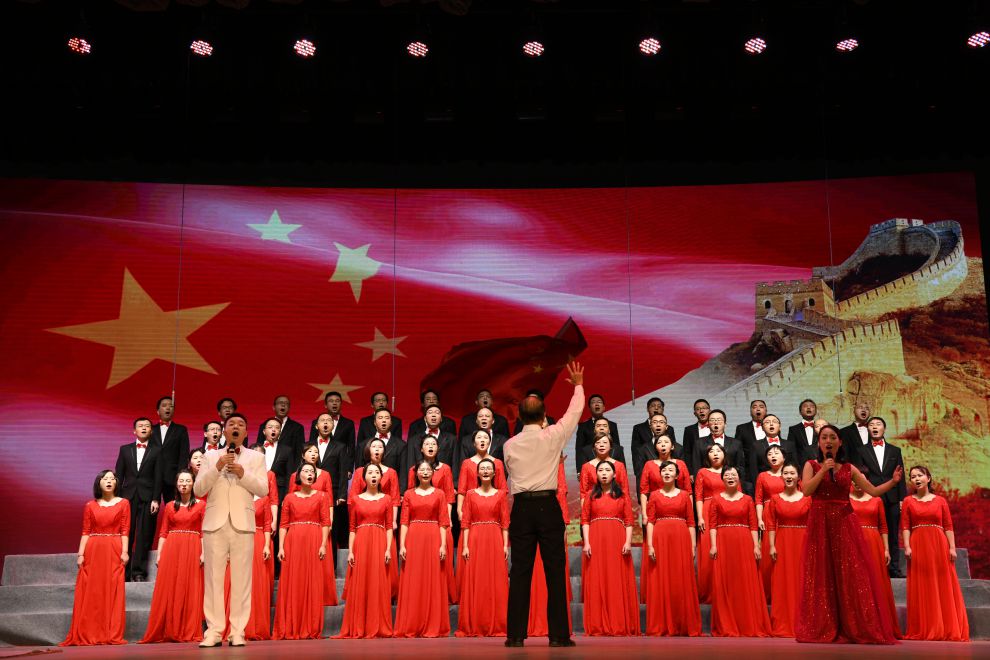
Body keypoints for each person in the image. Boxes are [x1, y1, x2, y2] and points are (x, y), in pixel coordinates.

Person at [503, 361, 585, 648]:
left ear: (520, 417)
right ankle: (559, 635)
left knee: (520, 572)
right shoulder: (552, 436)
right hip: (548, 507)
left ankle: (515, 635)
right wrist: (578, 386)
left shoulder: (509, 445)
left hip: (522, 509)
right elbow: (574, 413)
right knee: (554, 572)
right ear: (544, 416)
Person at [796, 424, 901, 644]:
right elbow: (806, 491)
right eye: (824, 437)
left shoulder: (849, 468)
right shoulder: (811, 465)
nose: (828, 441)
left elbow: (873, 491)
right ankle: (823, 624)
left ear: (840, 442)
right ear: (819, 443)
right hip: (820, 523)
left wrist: (893, 482)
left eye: (832, 437)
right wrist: (823, 470)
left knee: (850, 573)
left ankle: (854, 624)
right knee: (821, 572)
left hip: (844, 523)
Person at [193, 413, 268, 648]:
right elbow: (198, 489)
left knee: (242, 581)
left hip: (243, 523)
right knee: (213, 580)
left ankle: (237, 631)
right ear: (224, 431)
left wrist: (242, 473)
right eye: (231, 424)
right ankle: (214, 631)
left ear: (246, 432)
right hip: (215, 523)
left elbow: (263, 489)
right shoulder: (210, 456)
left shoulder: (256, 457)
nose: (236, 427)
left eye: (241, 424)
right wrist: (217, 467)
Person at [60, 470, 130, 647]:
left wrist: (125, 551)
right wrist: (80, 554)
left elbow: (125, 530)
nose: (109, 481)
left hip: (114, 549)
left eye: (112, 479)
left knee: (112, 589)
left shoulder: (124, 503)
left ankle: (109, 632)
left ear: (116, 483)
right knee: (93, 591)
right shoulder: (90, 505)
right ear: (99, 483)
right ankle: (90, 631)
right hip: (93, 550)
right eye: (105, 479)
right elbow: (86, 531)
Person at [901, 466, 969, 641]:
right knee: (922, 586)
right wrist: (907, 546)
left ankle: (945, 627)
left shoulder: (940, 501)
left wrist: (952, 547)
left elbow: (948, 526)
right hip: (918, 544)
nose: (916, 479)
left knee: (942, 584)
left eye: (920, 475)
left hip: (939, 545)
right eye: (913, 477)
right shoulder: (908, 501)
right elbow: (906, 526)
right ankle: (926, 627)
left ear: (928, 478)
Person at [141, 470, 206, 643]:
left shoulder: (201, 505)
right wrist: (160, 554)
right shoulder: (170, 506)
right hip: (172, 548)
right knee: (171, 587)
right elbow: (163, 532)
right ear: (176, 485)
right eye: (181, 481)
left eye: (187, 481)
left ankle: (188, 628)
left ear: (193, 484)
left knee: (190, 586)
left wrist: (204, 552)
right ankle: (170, 627)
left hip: (192, 547)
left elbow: (203, 532)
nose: (184, 484)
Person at [709, 466, 771, 637]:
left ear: (739, 478)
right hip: (723, 541)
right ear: (722, 479)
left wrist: (756, 546)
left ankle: (746, 623)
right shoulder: (715, 499)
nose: (730, 477)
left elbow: (753, 525)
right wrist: (713, 545)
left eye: (733, 475)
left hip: (744, 542)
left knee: (744, 581)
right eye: (727, 475)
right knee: (726, 582)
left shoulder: (747, 499)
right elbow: (712, 525)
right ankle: (726, 623)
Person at [581, 461, 639, 636]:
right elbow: (585, 520)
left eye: (607, 470)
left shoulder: (622, 496)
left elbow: (629, 521)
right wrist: (587, 542)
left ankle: (618, 622)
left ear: (614, 474)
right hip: (596, 538)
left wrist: (628, 542)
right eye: (600, 470)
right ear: (596, 474)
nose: (604, 473)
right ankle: (598, 624)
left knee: (616, 579)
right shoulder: (590, 495)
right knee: (597, 578)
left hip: (617, 538)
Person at [272, 464, 330, 640]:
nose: (310, 473)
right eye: (306, 471)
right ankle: (291, 625)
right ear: (299, 475)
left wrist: (323, 544)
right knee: (293, 581)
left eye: (312, 471)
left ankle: (311, 626)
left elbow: (325, 522)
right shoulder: (289, 498)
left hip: (314, 539)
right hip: (294, 541)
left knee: (312, 581)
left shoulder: (322, 496)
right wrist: (281, 547)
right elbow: (283, 525)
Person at [394, 460, 452, 638]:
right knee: (414, 579)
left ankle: (432, 623)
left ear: (433, 473)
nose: (425, 472)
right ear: (416, 473)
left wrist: (443, 545)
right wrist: (402, 545)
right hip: (414, 537)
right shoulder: (409, 494)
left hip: (433, 536)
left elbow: (443, 521)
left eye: (428, 470)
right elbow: (404, 521)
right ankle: (412, 622)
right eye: (422, 470)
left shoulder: (440, 494)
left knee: (433, 578)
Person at [644, 460, 701, 637]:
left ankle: (682, 623)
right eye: (664, 470)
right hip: (660, 538)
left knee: (680, 579)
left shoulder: (684, 495)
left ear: (677, 475)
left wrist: (693, 545)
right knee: (661, 578)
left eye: (670, 470)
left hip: (681, 538)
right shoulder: (654, 495)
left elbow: (691, 522)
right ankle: (662, 623)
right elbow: (651, 521)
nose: (667, 473)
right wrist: (650, 545)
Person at [337, 463, 394, 639]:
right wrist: (351, 551)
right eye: (370, 472)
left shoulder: (387, 499)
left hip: (379, 540)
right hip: (361, 542)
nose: (374, 475)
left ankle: (377, 624)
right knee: (361, 581)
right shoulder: (356, 499)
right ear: (364, 477)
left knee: (378, 582)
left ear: (381, 477)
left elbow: (389, 526)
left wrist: (388, 549)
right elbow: (352, 528)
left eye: (377, 472)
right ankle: (359, 624)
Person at [456, 458, 511, 637]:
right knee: (477, 578)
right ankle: (475, 622)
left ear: (494, 473)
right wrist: (465, 546)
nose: (486, 471)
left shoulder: (501, 494)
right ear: (478, 474)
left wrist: (505, 545)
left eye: (489, 468)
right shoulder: (470, 494)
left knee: (495, 579)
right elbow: (466, 522)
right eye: (482, 469)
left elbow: (505, 522)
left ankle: (498, 622)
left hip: (495, 538)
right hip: (475, 538)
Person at [638, 433, 691, 605]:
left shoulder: (681, 464)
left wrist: (688, 514)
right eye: (659, 442)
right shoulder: (649, 465)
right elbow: (644, 491)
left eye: (666, 442)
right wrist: (645, 514)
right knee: (657, 561)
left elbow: (687, 491)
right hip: (656, 515)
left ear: (672, 446)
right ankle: (657, 596)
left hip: (678, 513)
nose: (662, 444)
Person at [406, 435, 458, 603]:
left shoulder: (445, 469)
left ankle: (442, 593)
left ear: (438, 448)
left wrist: (447, 519)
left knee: (442, 556)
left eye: (433, 444)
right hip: (420, 520)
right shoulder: (414, 470)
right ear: (421, 449)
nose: (430, 446)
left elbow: (449, 496)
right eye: (427, 444)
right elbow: (411, 496)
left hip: (440, 519)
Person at [849, 475, 901, 638]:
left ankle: (878, 624)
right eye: (854, 480)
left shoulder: (876, 500)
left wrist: (886, 549)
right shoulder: (845, 500)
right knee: (856, 583)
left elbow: (883, 527)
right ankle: (856, 626)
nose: (858, 483)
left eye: (861, 480)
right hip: (852, 542)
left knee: (875, 582)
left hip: (873, 543)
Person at [349, 437, 400, 599]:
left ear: (384, 451)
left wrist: (393, 520)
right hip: (363, 521)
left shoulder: (391, 472)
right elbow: (353, 499)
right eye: (374, 446)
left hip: (383, 521)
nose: (377, 449)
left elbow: (395, 499)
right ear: (368, 450)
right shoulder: (359, 472)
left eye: (380, 447)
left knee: (384, 560)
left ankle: (386, 594)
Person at [857, 416, 907, 578]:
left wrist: (902, 499)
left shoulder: (895, 450)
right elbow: (860, 475)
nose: (875, 427)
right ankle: (873, 566)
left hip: (892, 498)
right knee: (873, 533)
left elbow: (901, 476)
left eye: (878, 424)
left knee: (892, 533)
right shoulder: (861, 450)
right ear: (868, 429)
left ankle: (894, 568)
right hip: (871, 497)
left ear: (884, 429)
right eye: (871, 424)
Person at [765, 462, 810, 638]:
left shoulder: (808, 498)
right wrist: (772, 545)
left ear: (799, 477)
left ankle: (805, 623)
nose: (789, 476)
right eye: (786, 473)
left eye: (792, 473)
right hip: (782, 542)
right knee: (783, 582)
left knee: (802, 581)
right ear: (781, 476)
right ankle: (783, 623)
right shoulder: (775, 499)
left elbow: (813, 525)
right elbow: (770, 524)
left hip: (802, 542)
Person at [114, 417, 161, 582]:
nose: (144, 428)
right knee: (127, 533)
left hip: (148, 497)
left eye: (147, 426)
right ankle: (124, 571)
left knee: (144, 534)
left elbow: (158, 476)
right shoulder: (125, 449)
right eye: (140, 426)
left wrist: (156, 499)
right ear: (134, 430)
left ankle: (138, 572)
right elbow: (119, 475)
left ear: (151, 431)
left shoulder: (157, 450)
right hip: (127, 497)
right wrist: (117, 499)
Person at [313, 411, 350, 562]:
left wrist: (342, 494)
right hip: (311, 491)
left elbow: (343, 471)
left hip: (332, 493)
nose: (326, 423)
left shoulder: (340, 446)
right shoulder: (308, 445)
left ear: (333, 425)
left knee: (331, 529)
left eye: (329, 420)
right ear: (316, 426)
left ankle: (331, 565)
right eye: (322, 420)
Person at [245, 459, 273, 642]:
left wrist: (266, 545)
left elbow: (267, 524)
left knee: (256, 583)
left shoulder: (264, 499)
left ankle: (255, 626)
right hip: (240, 540)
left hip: (258, 539)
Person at [694, 443, 726, 604]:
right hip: (707, 511)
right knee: (709, 551)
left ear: (724, 454)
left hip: (727, 511)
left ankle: (725, 590)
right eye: (711, 451)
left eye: (718, 451)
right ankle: (708, 591)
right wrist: (700, 517)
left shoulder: (730, 472)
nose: (715, 453)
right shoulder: (702, 472)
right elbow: (698, 496)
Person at [755, 444, 786, 597]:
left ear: (784, 457)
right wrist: (759, 518)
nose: (773, 456)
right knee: (769, 548)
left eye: (776, 453)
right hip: (768, 513)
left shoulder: (790, 473)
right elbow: (759, 499)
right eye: (770, 454)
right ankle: (769, 588)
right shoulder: (762, 476)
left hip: (786, 512)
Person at [457, 429, 508, 521]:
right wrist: (459, 510)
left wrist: (504, 511)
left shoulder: (498, 463)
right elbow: (462, 490)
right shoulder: (466, 463)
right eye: (479, 437)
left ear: (489, 443)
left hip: (493, 508)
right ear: (474, 443)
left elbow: (502, 489)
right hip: (471, 507)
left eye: (485, 438)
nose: (482, 440)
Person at [695, 410, 747, 491]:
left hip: (731, 486)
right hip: (709, 487)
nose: (716, 423)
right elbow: (696, 467)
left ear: (725, 424)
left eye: (719, 420)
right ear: (708, 424)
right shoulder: (699, 443)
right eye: (712, 420)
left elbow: (740, 467)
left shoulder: (736, 443)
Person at [152, 396, 190, 505]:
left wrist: (179, 478)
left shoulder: (181, 430)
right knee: (151, 511)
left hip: (172, 478)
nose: (168, 408)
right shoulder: (151, 430)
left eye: (171, 406)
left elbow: (183, 455)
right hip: (152, 477)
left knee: (174, 509)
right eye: (164, 406)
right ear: (158, 411)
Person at [407, 405, 457, 487]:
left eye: (437, 413)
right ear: (425, 418)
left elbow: (455, 462)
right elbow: (410, 463)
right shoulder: (414, 440)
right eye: (430, 413)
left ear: (441, 418)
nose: (433, 415)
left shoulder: (451, 439)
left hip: (444, 483)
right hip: (419, 484)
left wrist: (455, 486)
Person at [574, 394, 622, 475]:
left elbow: (616, 447)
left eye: (599, 402)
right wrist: (579, 470)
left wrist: (618, 469)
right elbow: (579, 450)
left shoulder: (612, 425)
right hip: (590, 466)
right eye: (593, 402)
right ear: (589, 408)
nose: (596, 404)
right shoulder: (583, 427)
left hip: (609, 467)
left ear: (604, 407)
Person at [579, 434, 630, 508]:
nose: (601, 445)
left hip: (616, 506)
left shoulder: (620, 466)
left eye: (605, 442)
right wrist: (584, 512)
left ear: (611, 446)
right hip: (593, 506)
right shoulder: (586, 467)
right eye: (598, 442)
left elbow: (625, 490)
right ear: (593, 447)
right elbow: (583, 493)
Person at [258, 395, 306, 461]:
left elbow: (299, 452)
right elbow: (258, 448)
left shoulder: (297, 428)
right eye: (280, 402)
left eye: (286, 403)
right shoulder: (264, 425)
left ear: (289, 408)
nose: (283, 405)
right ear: (274, 407)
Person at [734, 399, 768, 490]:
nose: (758, 409)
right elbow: (738, 450)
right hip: (749, 473)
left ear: (766, 411)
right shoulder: (741, 428)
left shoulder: (772, 426)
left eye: (761, 407)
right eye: (754, 407)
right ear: (750, 411)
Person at [682, 399, 712, 476]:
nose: (701, 411)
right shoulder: (689, 430)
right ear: (695, 413)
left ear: (710, 411)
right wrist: (690, 473)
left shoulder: (716, 427)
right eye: (698, 409)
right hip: (697, 470)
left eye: (704, 408)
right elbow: (687, 453)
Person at [787, 399, 819, 469]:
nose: (808, 408)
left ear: (816, 411)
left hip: (820, 466)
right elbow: (791, 450)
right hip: (801, 467)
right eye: (805, 406)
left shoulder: (822, 427)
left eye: (812, 406)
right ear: (800, 412)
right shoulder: (793, 429)